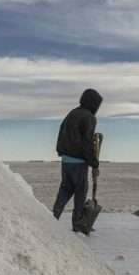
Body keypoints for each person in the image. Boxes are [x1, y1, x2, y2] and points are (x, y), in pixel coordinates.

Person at [52, 88, 102, 234]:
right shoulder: (89, 117)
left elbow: (61, 131)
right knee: (81, 191)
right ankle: (78, 224)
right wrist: (94, 163)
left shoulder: (72, 113)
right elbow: (87, 143)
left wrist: (61, 152)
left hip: (66, 160)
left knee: (66, 189)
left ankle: (53, 217)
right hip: (79, 162)